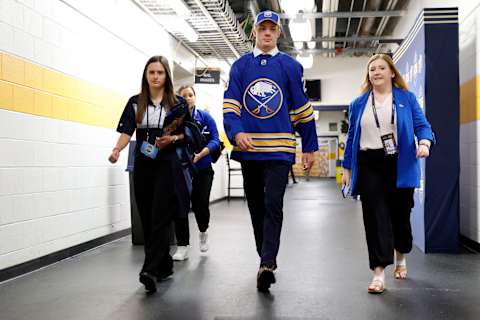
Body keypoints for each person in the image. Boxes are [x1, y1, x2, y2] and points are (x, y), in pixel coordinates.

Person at [223, 10, 318, 292]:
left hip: (279, 150)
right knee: (255, 206)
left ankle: (267, 263)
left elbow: (302, 109)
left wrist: (309, 146)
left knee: (273, 203)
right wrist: (236, 132)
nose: (267, 32)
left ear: (278, 33)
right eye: (262, 28)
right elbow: (231, 107)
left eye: (271, 29)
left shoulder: (290, 66)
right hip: (250, 149)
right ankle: (264, 255)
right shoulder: (239, 67)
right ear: (254, 32)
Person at [342, 54, 435, 294]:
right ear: (368, 75)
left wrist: (424, 143)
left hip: (400, 161)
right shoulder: (358, 103)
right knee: (374, 217)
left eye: (382, 68)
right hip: (369, 162)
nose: (376, 72)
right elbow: (352, 137)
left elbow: (423, 125)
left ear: (392, 72)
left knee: (400, 216)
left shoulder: (406, 99)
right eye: (372, 69)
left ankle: (401, 255)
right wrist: (347, 169)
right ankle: (378, 272)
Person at [108, 56, 191, 293]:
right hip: (143, 163)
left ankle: (150, 270)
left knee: (159, 216)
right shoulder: (136, 103)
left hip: (167, 164)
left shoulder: (177, 104)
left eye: (160, 73)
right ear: (146, 75)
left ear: (167, 76)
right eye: (152, 72)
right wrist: (116, 149)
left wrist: (172, 138)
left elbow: (189, 134)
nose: (156, 76)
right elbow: (126, 131)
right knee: (145, 215)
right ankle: (163, 264)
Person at [172, 85, 220, 260]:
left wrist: (202, 154)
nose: (188, 98)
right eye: (183, 96)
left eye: (190, 95)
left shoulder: (205, 117)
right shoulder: (175, 119)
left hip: (203, 167)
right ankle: (182, 246)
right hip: (182, 169)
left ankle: (203, 231)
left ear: (195, 97)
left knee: (200, 204)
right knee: (180, 205)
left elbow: (215, 139)